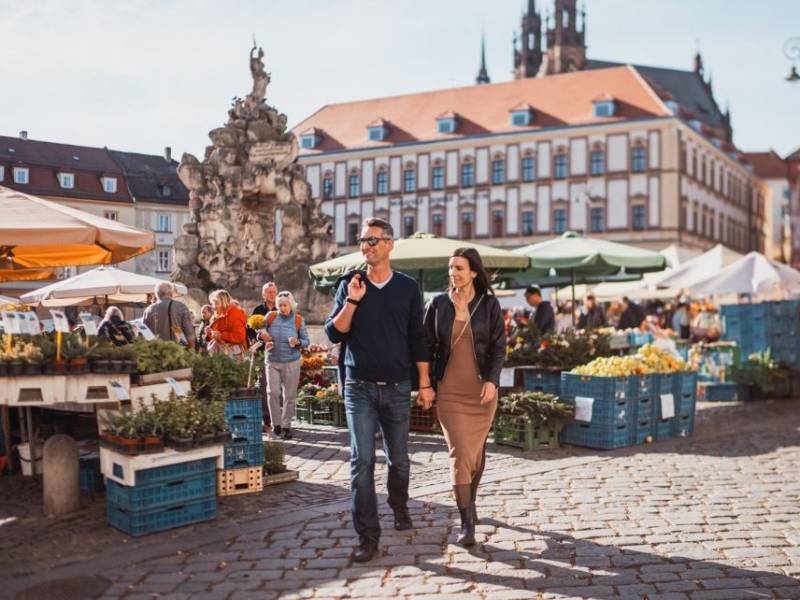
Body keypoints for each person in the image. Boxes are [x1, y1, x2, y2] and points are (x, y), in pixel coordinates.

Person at [325, 217, 434, 563]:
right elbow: (334, 333)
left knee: (399, 460)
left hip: (399, 387)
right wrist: (352, 301)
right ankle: (368, 536)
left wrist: (425, 383)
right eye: (362, 240)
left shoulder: (407, 287)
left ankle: (399, 503)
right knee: (362, 461)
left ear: (389, 244)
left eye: (372, 240)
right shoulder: (350, 284)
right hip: (359, 387)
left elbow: (417, 337)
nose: (366, 246)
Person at [423, 248, 505, 546]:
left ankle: (471, 500)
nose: (453, 273)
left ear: (473, 272)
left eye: (459, 268)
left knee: (477, 452)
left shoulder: (489, 304)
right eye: (450, 268)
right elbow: (425, 346)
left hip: (481, 391)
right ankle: (466, 523)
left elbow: (499, 347)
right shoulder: (438, 304)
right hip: (450, 391)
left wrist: (493, 380)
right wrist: (425, 384)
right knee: (460, 453)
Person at [264, 291, 309, 440]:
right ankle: (276, 425)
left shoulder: (298, 319)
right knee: (272, 392)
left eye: (285, 305)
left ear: (291, 305)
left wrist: (298, 342)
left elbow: (306, 341)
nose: (282, 308)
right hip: (272, 360)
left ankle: (286, 426)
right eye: (279, 305)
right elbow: (260, 334)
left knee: (289, 395)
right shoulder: (270, 317)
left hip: (291, 361)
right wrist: (263, 338)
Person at [249, 282, 279, 430]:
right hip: (262, 353)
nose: (271, 294)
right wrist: (254, 340)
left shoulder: (281, 309)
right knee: (264, 386)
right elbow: (249, 330)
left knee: (278, 387)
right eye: (268, 292)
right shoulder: (258, 310)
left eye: (273, 292)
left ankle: (279, 419)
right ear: (263, 294)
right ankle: (267, 419)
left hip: (280, 353)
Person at [142, 282, 196, 349]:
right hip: (177, 350)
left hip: (154, 351)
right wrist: (191, 350)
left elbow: (144, 334)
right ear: (171, 293)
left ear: (157, 294)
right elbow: (190, 334)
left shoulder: (148, 310)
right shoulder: (180, 307)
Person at [206, 289, 248, 358]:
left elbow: (239, 337)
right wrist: (209, 333)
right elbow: (217, 335)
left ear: (223, 302)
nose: (213, 307)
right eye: (212, 303)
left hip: (233, 355)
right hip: (222, 353)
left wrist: (221, 336)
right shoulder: (218, 314)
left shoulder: (234, 314)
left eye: (216, 303)